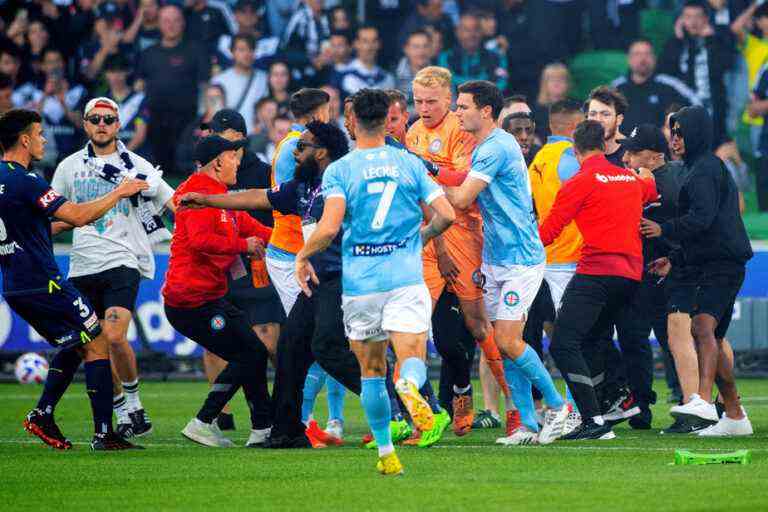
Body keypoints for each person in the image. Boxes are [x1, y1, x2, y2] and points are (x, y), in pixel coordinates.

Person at [295, 88, 456, 475]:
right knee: (411, 359)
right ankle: (410, 388)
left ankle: (386, 453)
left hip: (361, 285)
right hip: (403, 277)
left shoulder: (340, 170)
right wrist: (421, 237)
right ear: (387, 119)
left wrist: (303, 255)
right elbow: (446, 214)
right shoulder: (409, 164)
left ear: (353, 122)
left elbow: (330, 228)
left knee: (370, 371)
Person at [180, 120, 361, 448]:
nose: (296, 150)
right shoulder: (302, 187)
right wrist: (208, 201)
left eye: (303, 146)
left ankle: (394, 409)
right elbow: (257, 197)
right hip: (317, 282)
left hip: (344, 278)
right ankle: (286, 432)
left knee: (327, 348)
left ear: (321, 152)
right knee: (291, 347)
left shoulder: (341, 183)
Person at [1, 108, 148, 450]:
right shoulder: (28, 181)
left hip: (14, 285)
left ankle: (48, 414)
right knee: (96, 340)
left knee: (78, 342)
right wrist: (119, 192)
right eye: (38, 134)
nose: (43, 139)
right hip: (45, 282)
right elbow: (80, 216)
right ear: (24, 140)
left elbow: (39, 226)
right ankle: (99, 432)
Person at [445, 80, 571, 446]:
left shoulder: (497, 146)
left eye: (463, 106)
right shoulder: (486, 146)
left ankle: (559, 407)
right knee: (502, 343)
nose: (457, 112)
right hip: (496, 258)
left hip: (520, 259)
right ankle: (528, 424)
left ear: (485, 111)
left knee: (507, 338)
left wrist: (424, 182)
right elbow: (462, 179)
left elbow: (464, 196)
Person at [50, 97, 175, 439]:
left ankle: (133, 402)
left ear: (119, 124)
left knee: (115, 336)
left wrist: (191, 234)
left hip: (123, 260)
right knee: (94, 344)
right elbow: (57, 215)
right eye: (95, 119)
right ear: (85, 124)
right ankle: (122, 410)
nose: (102, 124)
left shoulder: (138, 165)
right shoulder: (68, 167)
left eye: (108, 119)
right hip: (81, 264)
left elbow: (172, 201)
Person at [406, 66, 513, 437]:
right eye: (418, 100)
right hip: (426, 236)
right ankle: (420, 417)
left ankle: (510, 405)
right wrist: (433, 240)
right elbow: (420, 195)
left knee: (476, 325)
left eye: (431, 101)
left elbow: (463, 192)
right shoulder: (413, 133)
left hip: (465, 235)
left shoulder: (463, 131)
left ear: (448, 100)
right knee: (412, 328)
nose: (423, 107)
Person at [540, 120, 657, 441]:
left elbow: (549, 232)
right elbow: (651, 189)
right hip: (631, 277)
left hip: (597, 272)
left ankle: (594, 419)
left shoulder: (580, 181)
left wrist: (520, 251)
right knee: (593, 339)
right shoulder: (627, 178)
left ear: (575, 151)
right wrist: (646, 174)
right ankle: (615, 397)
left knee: (564, 343)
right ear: (606, 147)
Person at [642, 106, 754, 437]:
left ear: (696, 134)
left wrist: (664, 231)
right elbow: (707, 227)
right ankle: (733, 414)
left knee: (702, 327)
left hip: (724, 262)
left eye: (680, 133)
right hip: (714, 260)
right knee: (711, 336)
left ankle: (703, 401)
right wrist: (675, 259)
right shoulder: (697, 167)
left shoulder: (704, 170)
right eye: (672, 132)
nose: (674, 139)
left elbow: (702, 220)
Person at [164, 134, 273, 448]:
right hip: (189, 302)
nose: (238, 161)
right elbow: (200, 241)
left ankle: (262, 428)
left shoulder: (220, 196)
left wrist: (295, 241)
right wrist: (243, 246)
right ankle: (203, 421)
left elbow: (255, 228)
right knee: (250, 351)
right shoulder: (194, 194)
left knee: (251, 351)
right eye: (234, 156)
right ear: (218, 161)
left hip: (208, 297)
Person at [205, 108, 285, 434]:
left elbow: (277, 218)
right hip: (219, 270)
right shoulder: (206, 175)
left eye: (226, 141)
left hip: (257, 267)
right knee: (214, 342)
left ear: (241, 140)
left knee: (267, 344)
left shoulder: (266, 172)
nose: (220, 148)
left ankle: (275, 410)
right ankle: (221, 414)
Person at [618, 124, 685, 427]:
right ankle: (640, 405)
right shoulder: (644, 180)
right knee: (635, 339)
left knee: (672, 339)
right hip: (641, 272)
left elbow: (691, 225)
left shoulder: (670, 182)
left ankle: (689, 401)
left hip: (667, 273)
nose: (628, 156)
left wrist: (673, 258)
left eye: (635, 151)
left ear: (655, 154)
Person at [266, 88, 329, 316]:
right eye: (327, 111)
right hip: (289, 250)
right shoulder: (294, 148)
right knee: (301, 328)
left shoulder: (300, 144)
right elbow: (292, 200)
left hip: (302, 249)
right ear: (317, 116)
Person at [138, 4, 209, 177]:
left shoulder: (196, 51)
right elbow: (139, 89)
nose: (171, 25)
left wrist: (204, 122)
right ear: (159, 23)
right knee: (158, 172)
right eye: (166, 21)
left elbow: (205, 88)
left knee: (185, 171)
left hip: (188, 121)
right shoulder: (148, 53)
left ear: (183, 23)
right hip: (154, 121)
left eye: (175, 20)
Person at [659, 1, 731, 146]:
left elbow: (724, 65)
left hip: (713, 112)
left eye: (697, 17)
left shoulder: (718, 41)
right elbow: (663, 74)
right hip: (682, 112)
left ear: (706, 19)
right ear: (681, 20)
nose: (693, 22)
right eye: (688, 16)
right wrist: (678, 40)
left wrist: (711, 40)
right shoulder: (675, 44)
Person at [612, 38, 700, 133]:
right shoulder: (617, 88)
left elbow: (698, 110)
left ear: (654, 59)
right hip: (625, 146)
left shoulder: (670, 85)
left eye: (647, 54)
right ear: (629, 59)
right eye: (637, 54)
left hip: (661, 146)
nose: (643, 59)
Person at [211, 33, 269, 135]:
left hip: (256, 138)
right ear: (232, 52)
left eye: (250, 49)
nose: (247, 54)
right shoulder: (219, 81)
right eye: (241, 49)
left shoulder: (264, 78)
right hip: (229, 140)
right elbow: (214, 115)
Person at [437, 13, 508, 93]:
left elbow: (501, 83)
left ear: (481, 32)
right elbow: (447, 81)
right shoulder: (445, 57)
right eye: (466, 30)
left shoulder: (497, 57)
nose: (472, 34)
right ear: (457, 33)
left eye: (476, 29)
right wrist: (482, 85)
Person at [104, 57, 151, 159]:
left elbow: (140, 135)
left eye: (120, 72)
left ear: (127, 73)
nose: (116, 77)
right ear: (106, 74)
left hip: (136, 157)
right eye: (112, 72)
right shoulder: (101, 101)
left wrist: (121, 156)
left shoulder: (140, 99)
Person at [332, 26, 395, 100]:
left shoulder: (387, 78)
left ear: (379, 44)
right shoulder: (341, 75)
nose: (369, 47)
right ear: (356, 44)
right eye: (365, 41)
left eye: (374, 41)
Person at [585, 86, 627, 167]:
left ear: (619, 119)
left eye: (605, 114)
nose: (598, 120)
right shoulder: (580, 152)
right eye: (593, 114)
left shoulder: (634, 154)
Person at [534, 63, 571, 141]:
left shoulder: (576, 107)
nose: (556, 83)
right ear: (544, 84)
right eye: (552, 80)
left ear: (567, 83)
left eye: (561, 79)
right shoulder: (535, 110)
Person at [395, 30, 433, 103]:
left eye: (425, 46)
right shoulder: (393, 77)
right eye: (416, 47)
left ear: (431, 49)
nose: (421, 51)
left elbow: (451, 107)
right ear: (406, 49)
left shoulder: (442, 77)